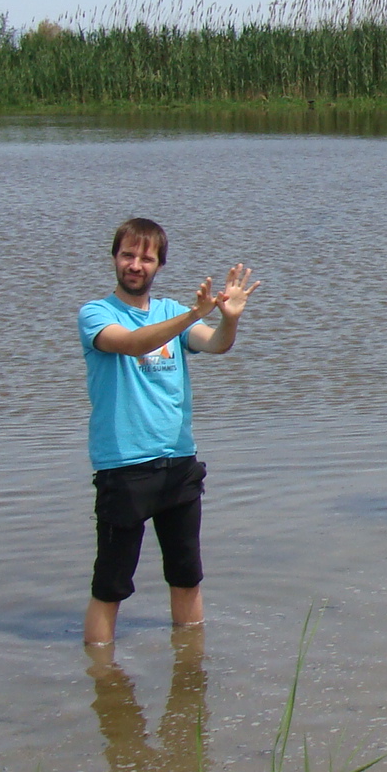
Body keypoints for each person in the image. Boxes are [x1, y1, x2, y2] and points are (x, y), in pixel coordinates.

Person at [80, 217, 259, 647]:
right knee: (111, 584)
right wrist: (195, 314)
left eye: (146, 257)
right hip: (123, 467)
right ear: (114, 259)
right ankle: (101, 677)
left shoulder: (173, 312)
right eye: (128, 255)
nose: (136, 265)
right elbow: (132, 343)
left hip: (178, 464)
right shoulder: (96, 313)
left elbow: (215, 344)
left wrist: (227, 320)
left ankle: (190, 671)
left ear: (159, 265)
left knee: (186, 576)